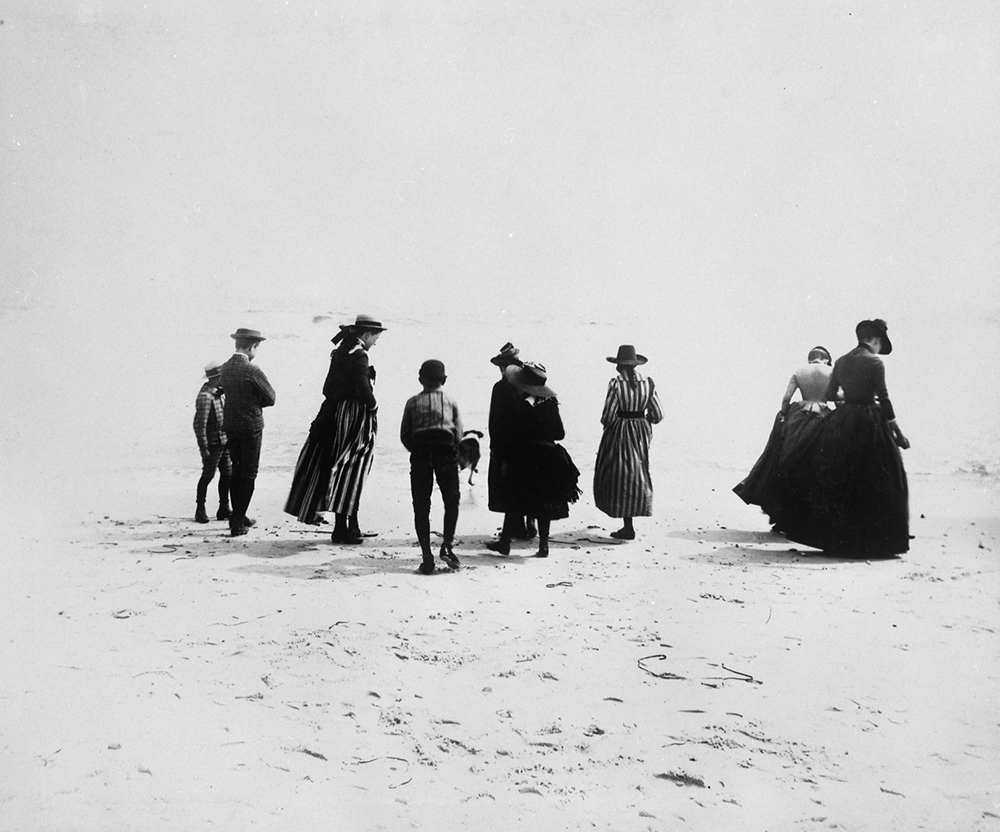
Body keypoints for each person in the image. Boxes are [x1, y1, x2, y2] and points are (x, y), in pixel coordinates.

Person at [781, 319, 910, 558]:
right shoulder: (875, 363)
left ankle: (837, 538)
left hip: (844, 419)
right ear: (875, 340)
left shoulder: (840, 361)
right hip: (870, 420)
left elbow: (831, 394)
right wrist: (898, 432)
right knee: (882, 478)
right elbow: (884, 398)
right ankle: (873, 541)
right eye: (880, 343)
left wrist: (850, 392)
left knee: (840, 477)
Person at [285, 314, 385, 544]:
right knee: (353, 469)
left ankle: (344, 527)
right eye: (376, 337)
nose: (376, 342)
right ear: (367, 335)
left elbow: (327, 387)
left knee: (340, 467)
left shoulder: (340, 352)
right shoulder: (360, 355)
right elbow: (361, 387)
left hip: (334, 415)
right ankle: (348, 528)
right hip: (355, 417)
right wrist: (374, 404)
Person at [733, 345, 833, 528]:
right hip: (822, 420)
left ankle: (782, 516)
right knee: (816, 467)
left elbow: (786, 398)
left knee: (787, 464)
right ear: (826, 359)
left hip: (798, 421)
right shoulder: (832, 372)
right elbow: (839, 399)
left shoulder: (799, 371)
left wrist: (784, 414)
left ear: (810, 359)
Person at [488, 361, 580, 558]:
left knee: (514, 498)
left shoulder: (522, 405)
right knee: (543, 503)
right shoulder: (550, 403)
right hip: (547, 456)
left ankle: (505, 542)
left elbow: (514, 432)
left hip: (524, 456)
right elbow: (560, 433)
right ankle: (543, 546)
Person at [593, 345, 664, 540]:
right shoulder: (648, 383)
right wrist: (644, 422)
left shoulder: (616, 383)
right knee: (636, 472)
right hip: (641, 431)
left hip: (620, 430)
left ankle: (628, 526)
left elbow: (608, 415)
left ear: (619, 365)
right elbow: (658, 414)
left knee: (619, 474)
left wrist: (613, 427)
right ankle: (630, 522)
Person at [400, 359, 463, 574]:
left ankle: (427, 555)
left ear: (420, 379)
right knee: (451, 500)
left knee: (421, 504)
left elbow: (405, 435)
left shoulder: (411, 403)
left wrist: (417, 451)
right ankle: (446, 545)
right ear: (444, 380)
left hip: (421, 453)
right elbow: (459, 435)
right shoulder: (451, 401)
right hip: (445, 452)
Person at [218, 328, 276, 537]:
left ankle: (238, 516)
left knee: (236, 470)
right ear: (252, 346)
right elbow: (270, 398)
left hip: (231, 425)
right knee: (249, 473)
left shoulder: (224, 368)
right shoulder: (252, 370)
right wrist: (254, 402)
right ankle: (238, 521)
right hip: (251, 426)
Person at [485, 342, 536, 549]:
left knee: (507, 486)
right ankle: (528, 524)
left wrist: (494, 447)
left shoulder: (500, 387)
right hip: (528, 444)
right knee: (526, 484)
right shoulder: (529, 386)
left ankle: (515, 529)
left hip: (506, 444)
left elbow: (495, 422)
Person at [193, 360, 231, 523]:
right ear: (216, 377)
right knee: (208, 475)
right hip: (213, 444)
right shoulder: (205, 397)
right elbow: (199, 425)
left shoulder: (218, 393)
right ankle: (200, 509)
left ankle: (224, 508)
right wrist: (203, 448)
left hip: (224, 441)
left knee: (227, 475)